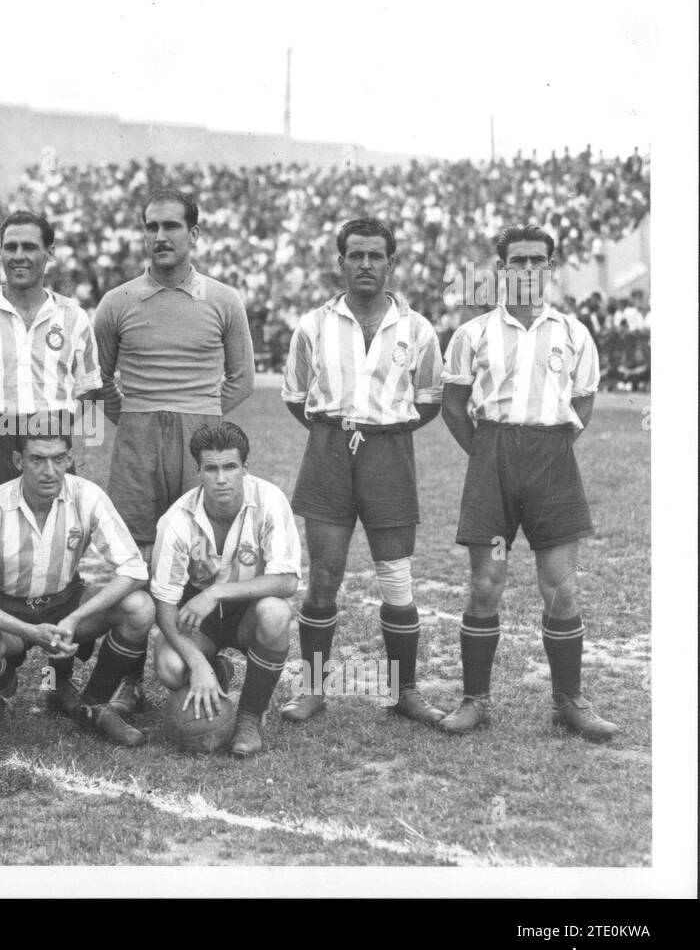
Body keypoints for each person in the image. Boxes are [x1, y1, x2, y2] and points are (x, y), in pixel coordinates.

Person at [439, 225, 617, 741]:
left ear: (550, 267)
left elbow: (583, 400)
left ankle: (568, 703)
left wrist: (550, 450)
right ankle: (475, 700)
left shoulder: (573, 333)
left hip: (551, 461)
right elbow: (453, 408)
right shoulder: (472, 334)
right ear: (500, 271)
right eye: (517, 261)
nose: (528, 270)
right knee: (485, 584)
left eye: (538, 260)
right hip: (491, 455)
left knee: (561, 586)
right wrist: (490, 455)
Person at [92, 188, 255, 713]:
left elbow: (242, 379)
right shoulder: (118, 301)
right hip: (137, 438)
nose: (160, 236)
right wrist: (138, 419)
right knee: (136, 561)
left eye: (172, 226)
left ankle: (198, 655)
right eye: (151, 227)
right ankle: (127, 679)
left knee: (196, 555)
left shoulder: (223, 300)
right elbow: (98, 380)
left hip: (198, 437)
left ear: (194, 234)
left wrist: (202, 417)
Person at [280, 217, 445, 727]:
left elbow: (430, 400)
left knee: (396, 577)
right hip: (329, 449)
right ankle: (313, 689)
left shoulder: (417, 328)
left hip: (389, 453)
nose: (366, 264)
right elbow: (294, 396)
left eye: (376, 256)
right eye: (356, 255)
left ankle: (404, 692)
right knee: (324, 575)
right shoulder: (313, 324)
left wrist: (381, 432)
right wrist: (338, 430)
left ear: (392, 264)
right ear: (341, 262)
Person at [0, 426, 154, 745]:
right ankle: (1, 685)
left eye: (58, 459)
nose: (50, 471)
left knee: (140, 608)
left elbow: (134, 570)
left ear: (69, 459)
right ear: (17, 460)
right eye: (37, 459)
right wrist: (29, 632)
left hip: (65, 602)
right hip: (7, 608)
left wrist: (75, 618)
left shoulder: (86, 495)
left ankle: (92, 698)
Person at [150, 422, 300, 756]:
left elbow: (287, 581)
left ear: (245, 468)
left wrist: (215, 592)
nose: (221, 478)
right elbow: (163, 607)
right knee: (171, 667)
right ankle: (214, 671)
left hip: (249, 609)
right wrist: (197, 664)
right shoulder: (176, 520)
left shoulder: (270, 500)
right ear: (197, 470)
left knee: (276, 612)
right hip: (197, 616)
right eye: (211, 468)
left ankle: (249, 717)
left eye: (230, 467)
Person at [0, 210, 101, 510]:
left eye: (29, 247)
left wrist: (57, 429)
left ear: (50, 253)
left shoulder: (74, 317)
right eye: (11, 247)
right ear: (1, 253)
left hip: (51, 443)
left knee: (56, 536)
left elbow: (90, 388)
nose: (19, 256)